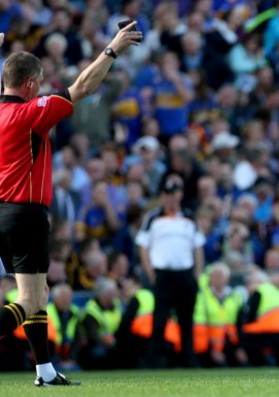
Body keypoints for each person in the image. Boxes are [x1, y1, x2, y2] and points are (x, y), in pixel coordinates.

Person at [0, 24, 141, 386]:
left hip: (2, 214)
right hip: (25, 213)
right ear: (32, 85)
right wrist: (111, 49)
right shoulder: (30, 113)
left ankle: (45, 372)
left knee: (38, 293)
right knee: (31, 301)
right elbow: (82, 87)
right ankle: (45, 372)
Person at [136, 174, 206, 368]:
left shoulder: (190, 218)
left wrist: (197, 274)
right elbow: (143, 246)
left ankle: (188, 357)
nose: (172, 198)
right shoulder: (153, 218)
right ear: (162, 196)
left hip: (185, 273)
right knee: (160, 318)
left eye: (175, 193)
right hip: (163, 274)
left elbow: (198, 247)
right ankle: (156, 359)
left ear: (181, 195)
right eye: (168, 194)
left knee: (186, 319)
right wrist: (151, 272)